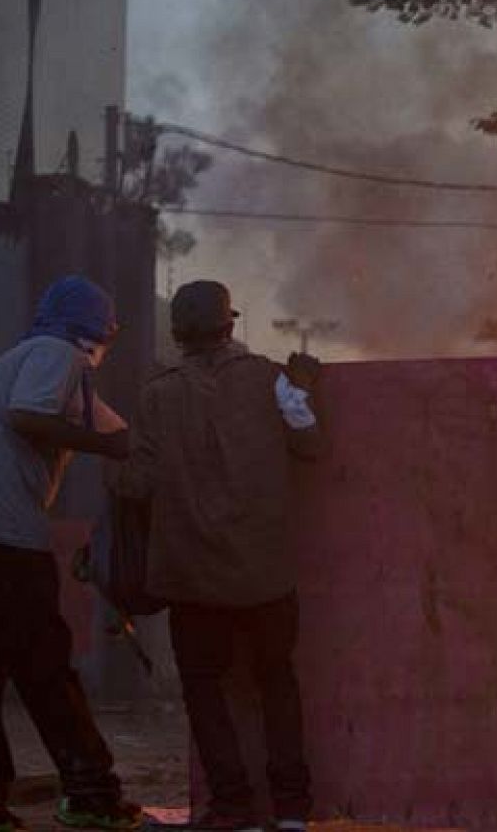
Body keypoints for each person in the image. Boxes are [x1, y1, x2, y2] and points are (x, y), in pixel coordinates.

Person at [0, 275, 143, 832]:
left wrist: (133, 443)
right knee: (43, 661)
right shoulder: (56, 353)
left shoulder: (46, 365)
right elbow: (28, 416)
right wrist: (106, 447)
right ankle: (91, 794)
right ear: (96, 331)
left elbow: (128, 437)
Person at [116, 280, 323, 832]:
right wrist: (302, 390)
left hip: (192, 579)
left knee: (204, 687)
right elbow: (309, 445)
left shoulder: (157, 395)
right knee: (275, 680)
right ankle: (291, 809)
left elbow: (136, 483)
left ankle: (232, 806)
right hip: (266, 575)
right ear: (230, 326)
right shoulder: (271, 378)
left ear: (179, 335)